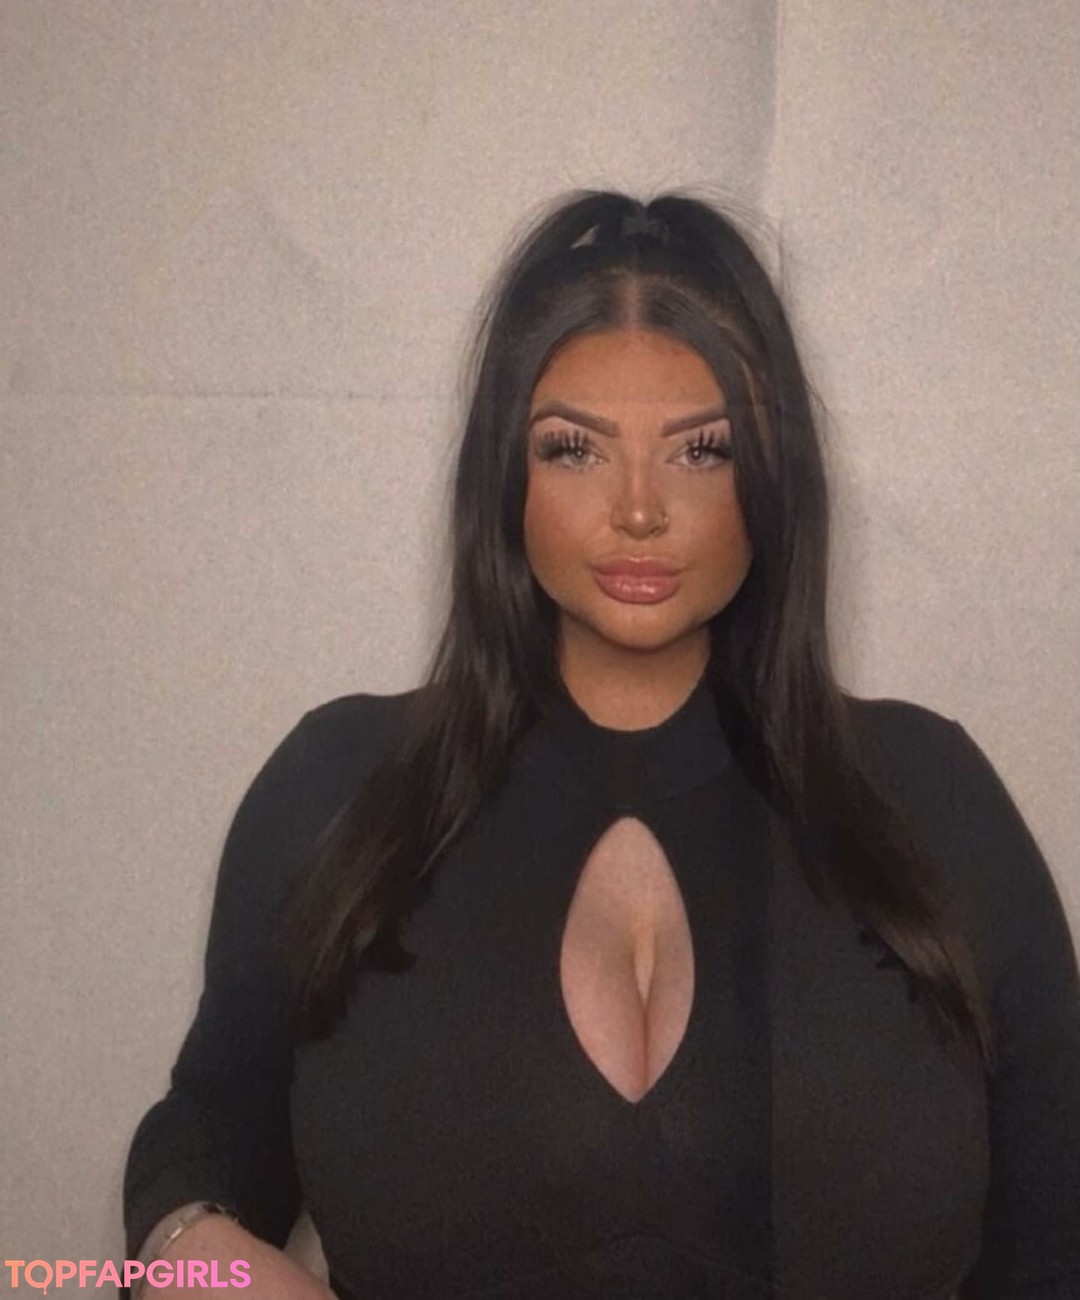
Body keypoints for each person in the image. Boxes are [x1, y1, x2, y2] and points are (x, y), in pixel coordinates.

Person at [121, 190, 1080, 1300]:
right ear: (506, 474)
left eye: (702, 450)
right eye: (574, 448)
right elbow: (204, 1132)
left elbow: (1058, 1227)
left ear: (773, 478)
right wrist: (186, 1245)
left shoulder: (932, 800)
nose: (637, 509)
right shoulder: (341, 788)